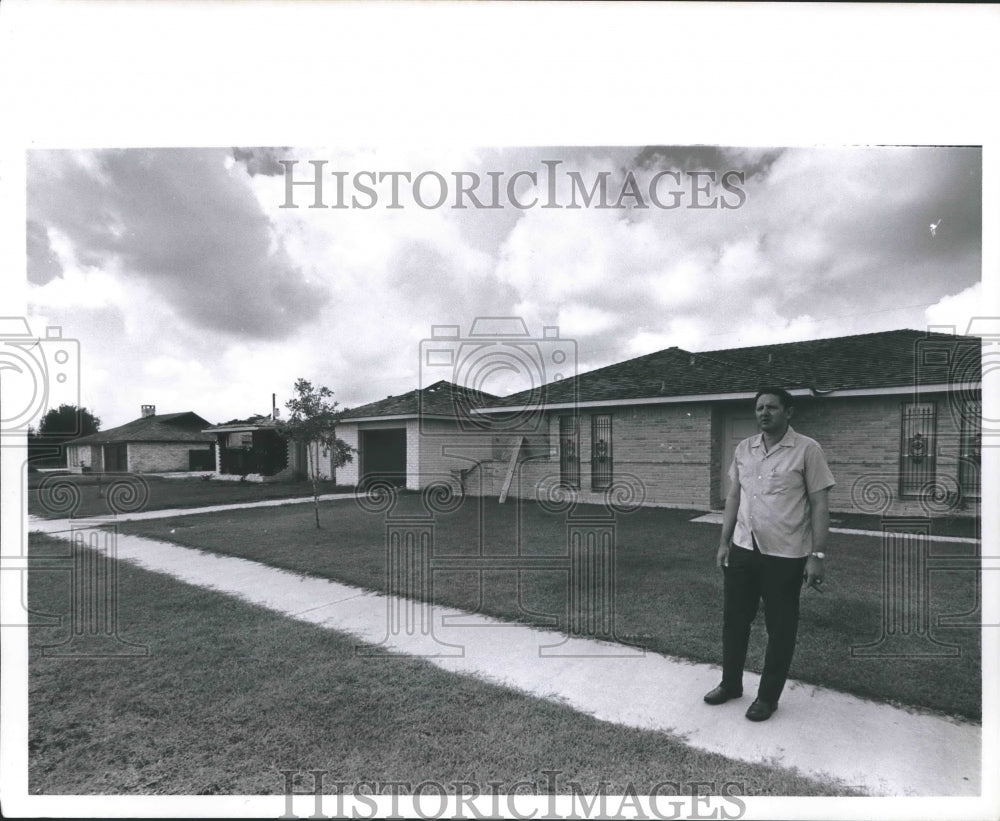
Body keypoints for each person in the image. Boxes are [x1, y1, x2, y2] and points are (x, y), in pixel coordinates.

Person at [704, 388, 835, 721]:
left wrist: (817, 555)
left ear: (788, 412)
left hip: (785, 555)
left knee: (780, 628)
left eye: (772, 407)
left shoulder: (807, 449)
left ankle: (767, 697)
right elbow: (734, 497)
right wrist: (724, 542)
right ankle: (730, 684)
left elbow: (820, 505)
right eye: (759, 408)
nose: (764, 413)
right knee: (735, 621)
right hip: (743, 548)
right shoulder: (743, 448)